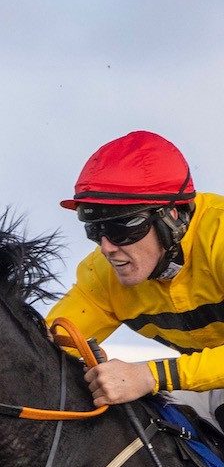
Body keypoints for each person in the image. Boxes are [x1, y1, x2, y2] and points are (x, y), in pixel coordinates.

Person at [47, 131, 224, 420]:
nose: (106, 248)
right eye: (95, 230)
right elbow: (38, 347)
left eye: (121, 229)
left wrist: (149, 375)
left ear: (172, 216)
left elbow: (151, 378)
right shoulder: (100, 275)